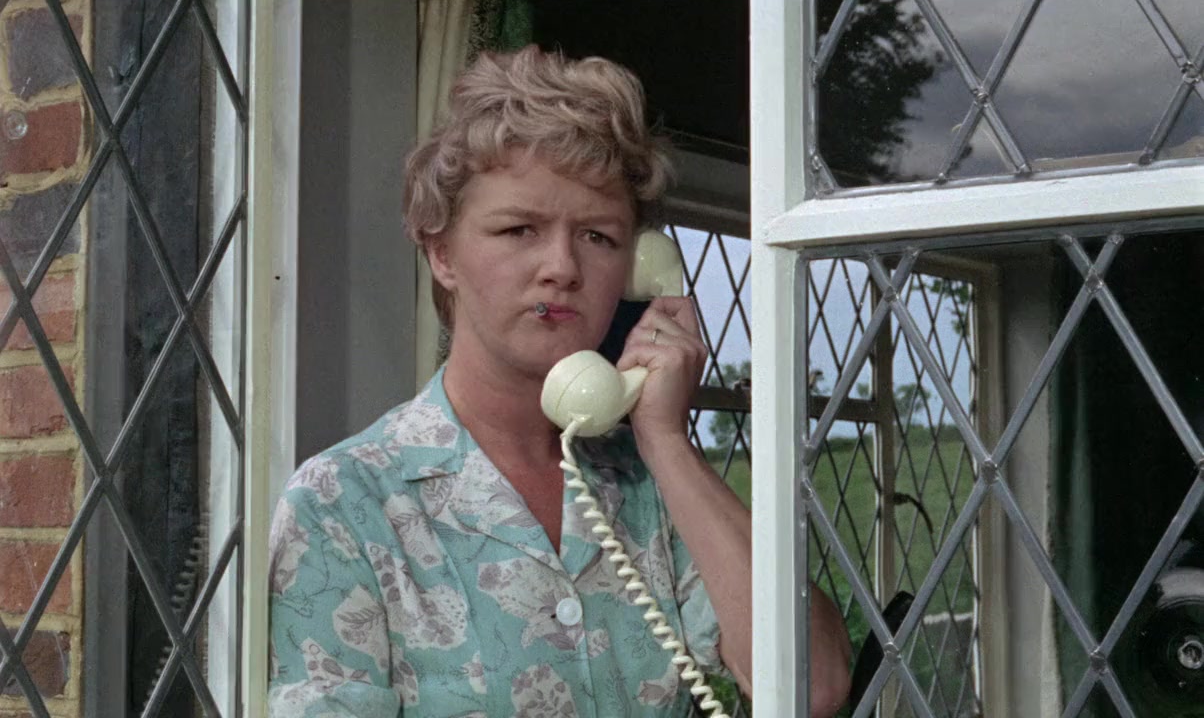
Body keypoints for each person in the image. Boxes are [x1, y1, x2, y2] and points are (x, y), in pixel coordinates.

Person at [267, 46, 851, 717]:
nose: (563, 268)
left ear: (638, 266)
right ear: (442, 253)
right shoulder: (344, 504)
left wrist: (665, 443)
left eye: (599, 237)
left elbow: (814, 686)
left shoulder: (652, 488)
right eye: (520, 229)